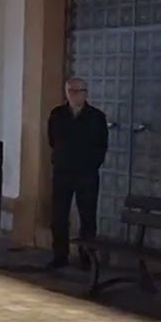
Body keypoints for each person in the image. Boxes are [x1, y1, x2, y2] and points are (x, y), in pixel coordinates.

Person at [46, 77, 108, 270]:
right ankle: (60, 255)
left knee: (87, 216)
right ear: (66, 93)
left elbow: (101, 145)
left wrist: (91, 164)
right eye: (70, 91)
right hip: (63, 171)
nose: (74, 95)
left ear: (85, 93)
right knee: (59, 215)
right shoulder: (57, 115)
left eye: (78, 91)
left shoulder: (96, 117)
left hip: (86, 174)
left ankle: (86, 257)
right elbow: (52, 139)